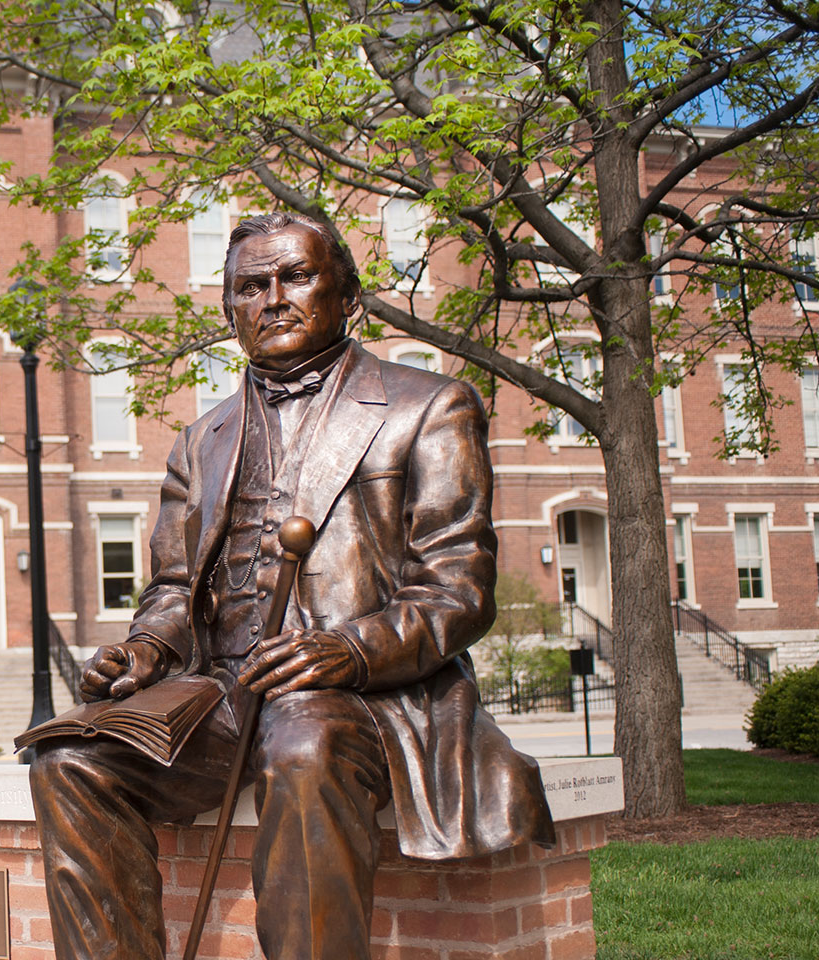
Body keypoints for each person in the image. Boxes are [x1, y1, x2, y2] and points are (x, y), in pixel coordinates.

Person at [30, 213, 555, 960]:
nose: (272, 298)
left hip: (366, 697)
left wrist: (349, 650)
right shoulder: (200, 440)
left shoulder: (428, 406)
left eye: (296, 277)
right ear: (230, 312)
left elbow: (458, 588)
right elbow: (174, 588)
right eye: (251, 286)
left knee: (303, 741)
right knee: (69, 762)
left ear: (348, 294)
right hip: (220, 694)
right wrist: (145, 649)